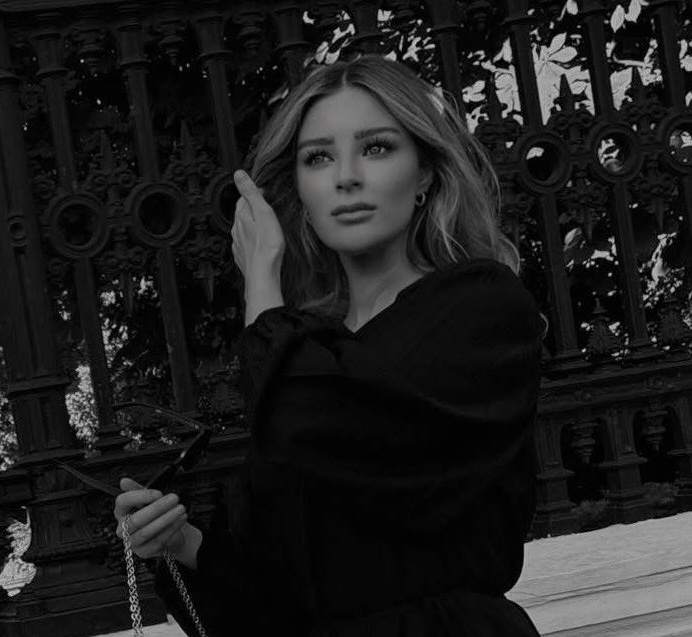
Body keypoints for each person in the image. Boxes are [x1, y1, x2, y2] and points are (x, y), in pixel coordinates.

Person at [113, 54, 548, 636]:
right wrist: (180, 542)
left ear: (425, 173)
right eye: (318, 157)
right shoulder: (303, 346)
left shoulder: (483, 306)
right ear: (297, 189)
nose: (346, 177)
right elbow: (278, 597)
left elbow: (324, 430)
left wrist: (261, 281)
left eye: (376, 148)